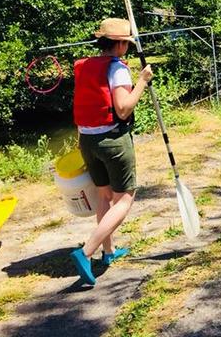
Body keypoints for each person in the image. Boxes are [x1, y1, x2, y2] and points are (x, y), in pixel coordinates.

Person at [69, 18, 153, 285]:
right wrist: (142, 81)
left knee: (104, 195)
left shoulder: (88, 66)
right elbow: (123, 108)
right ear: (119, 44)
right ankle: (86, 251)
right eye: (126, 43)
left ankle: (109, 251)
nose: (126, 47)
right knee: (125, 199)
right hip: (113, 141)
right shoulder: (117, 68)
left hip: (88, 141)